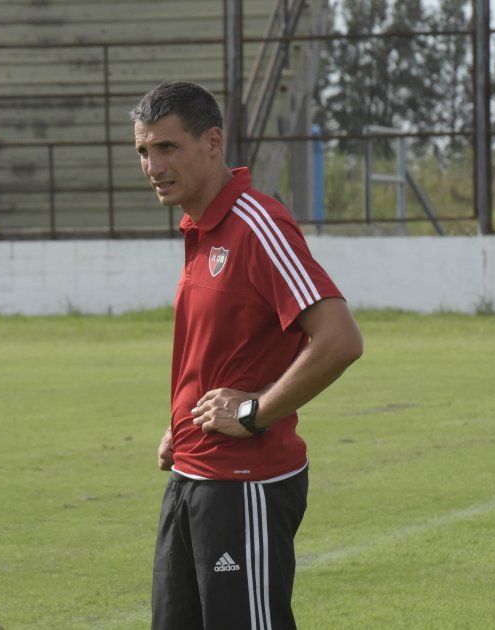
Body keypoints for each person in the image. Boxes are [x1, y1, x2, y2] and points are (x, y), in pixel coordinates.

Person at [130, 80, 364, 629]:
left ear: (213, 143)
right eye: (143, 150)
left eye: (167, 147)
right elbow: (223, 352)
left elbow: (339, 338)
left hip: (245, 485)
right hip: (192, 476)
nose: (152, 165)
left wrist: (252, 413)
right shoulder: (199, 228)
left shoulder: (257, 224)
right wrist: (183, 425)